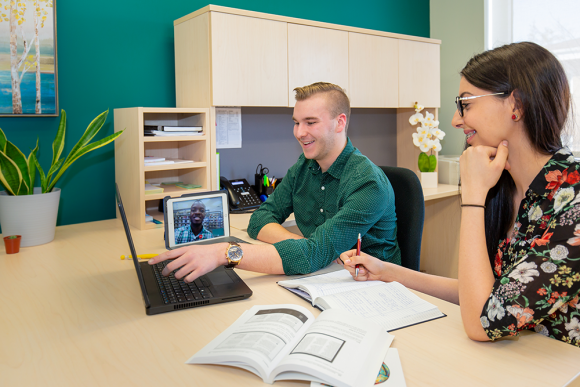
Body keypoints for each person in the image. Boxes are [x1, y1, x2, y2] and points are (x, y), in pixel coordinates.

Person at [341, 42, 580, 347]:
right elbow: (484, 292)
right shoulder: (509, 189)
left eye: (466, 104)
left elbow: (484, 321)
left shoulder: (573, 203)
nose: (455, 120)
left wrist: (472, 197)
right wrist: (387, 272)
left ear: (516, 106)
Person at [149, 82, 400, 280]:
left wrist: (224, 252)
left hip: (372, 286)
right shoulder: (304, 166)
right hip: (324, 275)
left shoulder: (368, 183)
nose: (300, 133)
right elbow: (259, 220)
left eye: (310, 122)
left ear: (340, 123)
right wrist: (307, 246)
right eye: (296, 123)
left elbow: (313, 255)